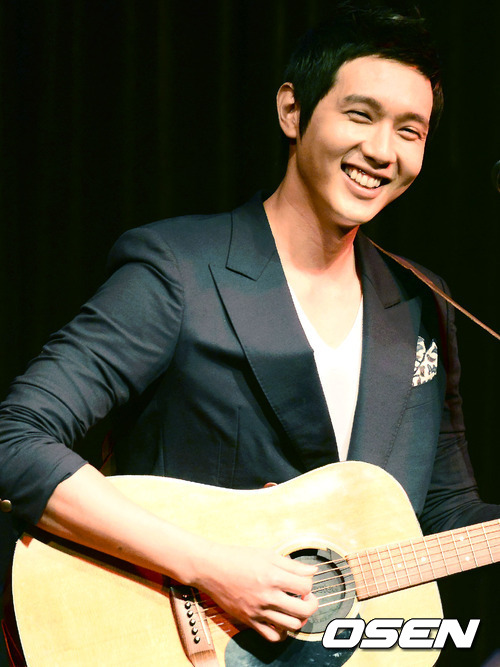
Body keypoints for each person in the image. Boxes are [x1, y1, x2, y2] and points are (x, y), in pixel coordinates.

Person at [0, 1, 499, 658]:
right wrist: (209, 566)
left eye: (411, 131)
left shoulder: (422, 303)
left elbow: (446, 511)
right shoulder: (179, 270)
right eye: (360, 115)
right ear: (292, 110)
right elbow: (17, 439)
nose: (383, 151)